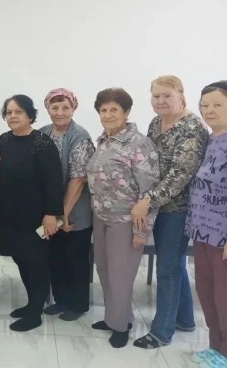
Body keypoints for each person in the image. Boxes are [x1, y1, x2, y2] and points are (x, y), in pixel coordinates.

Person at [132, 76, 207, 349]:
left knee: (167, 270)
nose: (161, 101)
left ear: (181, 96)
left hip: (178, 210)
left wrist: (148, 200)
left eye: (167, 96)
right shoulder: (156, 123)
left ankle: (161, 332)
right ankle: (185, 319)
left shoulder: (192, 128)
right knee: (174, 265)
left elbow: (180, 175)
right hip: (157, 208)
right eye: (156, 96)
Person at [87, 88, 160, 349]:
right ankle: (115, 317)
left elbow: (150, 190)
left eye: (114, 110)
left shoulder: (139, 143)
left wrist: (142, 231)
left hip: (126, 220)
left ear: (126, 112)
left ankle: (120, 326)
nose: (108, 115)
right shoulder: (103, 140)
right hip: (101, 216)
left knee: (120, 276)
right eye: (103, 110)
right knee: (105, 270)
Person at [0, 94, 64, 332]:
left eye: (18, 112)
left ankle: (35, 313)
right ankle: (31, 303)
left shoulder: (42, 143)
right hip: (10, 214)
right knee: (20, 259)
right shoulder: (3, 140)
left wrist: (51, 214)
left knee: (35, 263)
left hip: (36, 216)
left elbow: (53, 182)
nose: (13, 116)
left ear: (30, 115)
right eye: (9, 112)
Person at [186, 81, 227, 368]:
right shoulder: (212, 140)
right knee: (207, 293)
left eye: (217, 105)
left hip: (225, 238)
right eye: (205, 105)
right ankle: (216, 347)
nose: (209, 110)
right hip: (202, 232)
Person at [39, 88, 95, 322]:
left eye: (65, 107)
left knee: (76, 259)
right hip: (50, 212)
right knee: (55, 257)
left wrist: (62, 216)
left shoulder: (80, 136)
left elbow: (78, 179)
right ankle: (61, 300)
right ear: (48, 109)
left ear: (73, 109)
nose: (60, 112)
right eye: (55, 107)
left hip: (75, 212)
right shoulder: (42, 133)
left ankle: (78, 304)